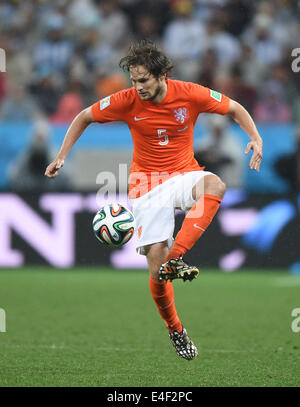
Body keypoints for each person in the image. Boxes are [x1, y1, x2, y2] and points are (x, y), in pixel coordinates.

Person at [45, 41, 263, 360]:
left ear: (163, 75)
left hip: (183, 173)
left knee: (215, 184)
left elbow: (234, 108)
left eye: (144, 79)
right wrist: (62, 156)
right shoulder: (126, 100)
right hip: (146, 185)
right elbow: (83, 117)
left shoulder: (189, 93)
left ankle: (177, 256)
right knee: (157, 274)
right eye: (133, 80)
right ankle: (175, 328)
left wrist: (255, 137)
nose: (138, 87)